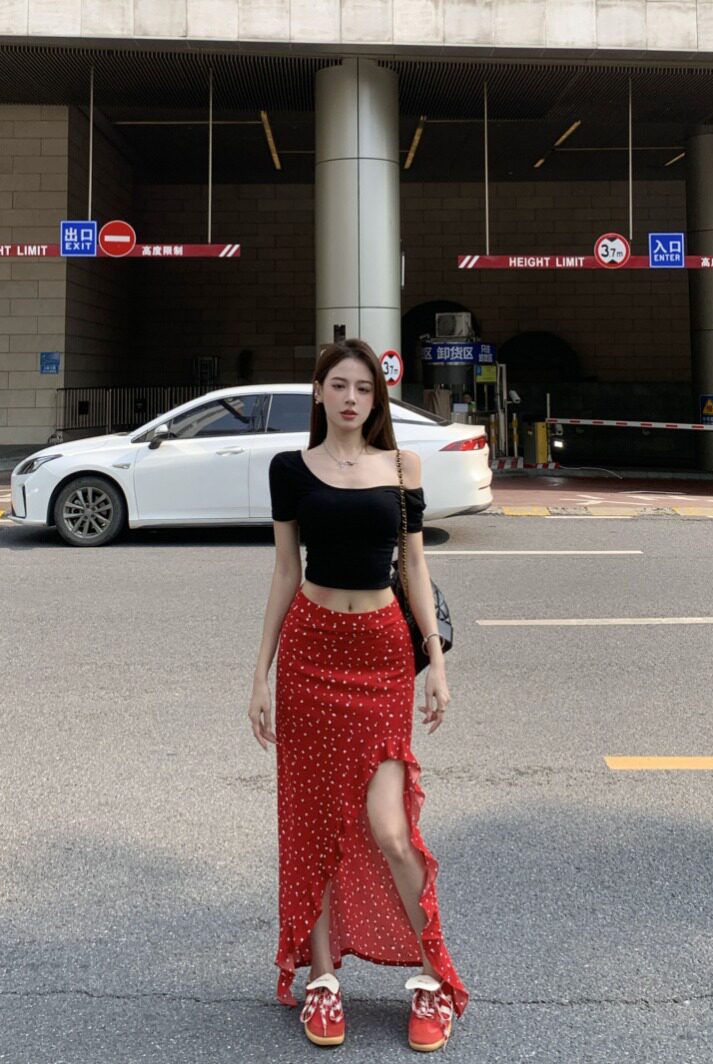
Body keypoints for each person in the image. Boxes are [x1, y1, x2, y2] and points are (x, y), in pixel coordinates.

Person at [248, 338, 468, 1052]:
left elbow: (414, 566)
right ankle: (321, 982)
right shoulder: (290, 469)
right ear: (318, 392)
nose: (351, 398)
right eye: (339, 385)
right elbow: (286, 570)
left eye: (364, 389)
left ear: (377, 399)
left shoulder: (402, 467)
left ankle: (435, 979)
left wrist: (435, 662)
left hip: (379, 654)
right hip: (310, 652)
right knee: (310, 825)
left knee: (391, 829)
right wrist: (260, 674)